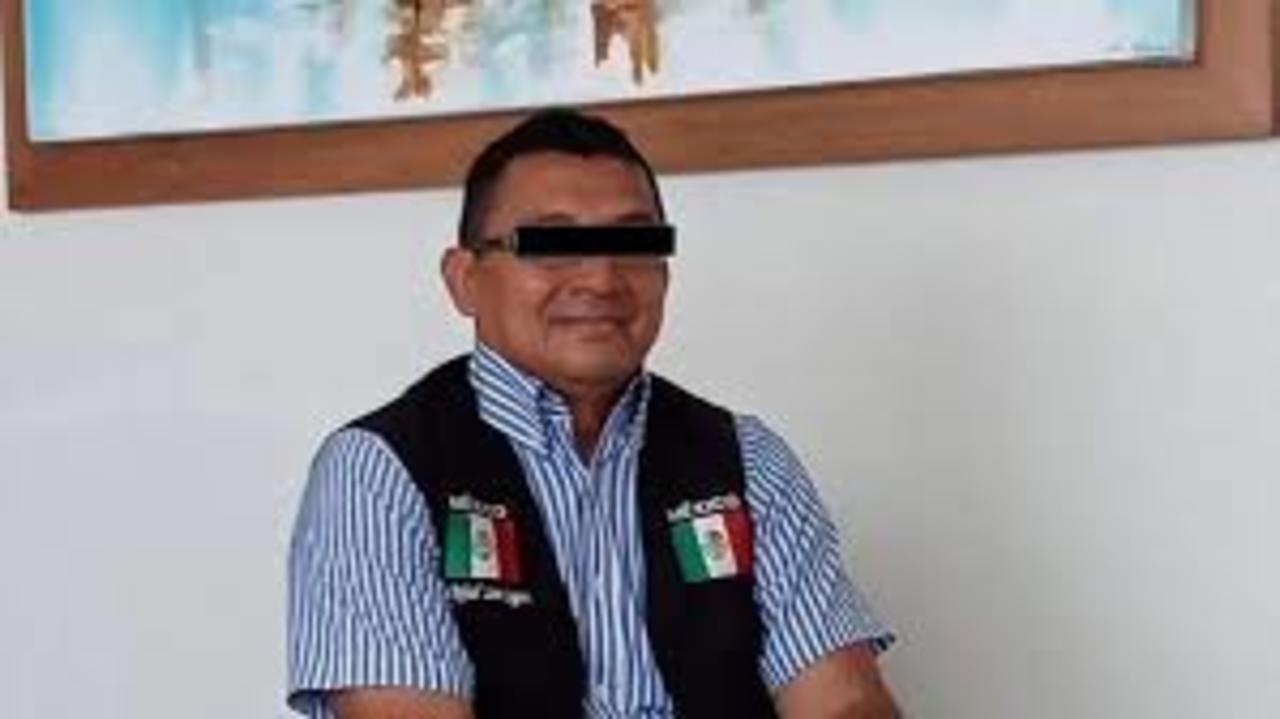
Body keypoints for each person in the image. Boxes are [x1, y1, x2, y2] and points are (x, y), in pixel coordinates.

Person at [287, 108, 898, 718]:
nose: (602, 279)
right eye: (552, 247)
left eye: (633, 245)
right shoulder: (380, 470)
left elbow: (844, 703)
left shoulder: (748, 459)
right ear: (465, 278)